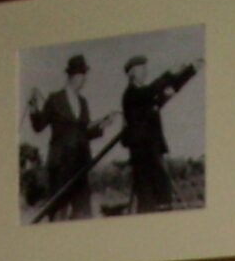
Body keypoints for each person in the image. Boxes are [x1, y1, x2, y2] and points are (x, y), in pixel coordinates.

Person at [26, 55, 103, 222]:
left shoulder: (83, 102)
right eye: (83, 75)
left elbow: (83, 132)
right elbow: (39, 126)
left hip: (81, 164)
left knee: (83, 211)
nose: (85, 79)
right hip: (60, 164)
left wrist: (101, 127)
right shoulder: (55, 99)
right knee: (58, 212)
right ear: (73, 76)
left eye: (85, 75)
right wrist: (33, 108)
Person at [119, 53, 198, 214]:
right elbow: (152, 91)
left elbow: (170, 88)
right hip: (142, 154)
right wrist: (170, 72)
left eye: (145, 69)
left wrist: (190, 70)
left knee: (162, 196)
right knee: (148, 200)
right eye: (141, 69)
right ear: (131, 73)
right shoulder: (132, 94)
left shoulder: (145, 95)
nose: (145, 72)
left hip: (153, 151)